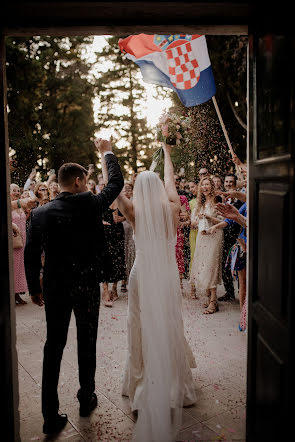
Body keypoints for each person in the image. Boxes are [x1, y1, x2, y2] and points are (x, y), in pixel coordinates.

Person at [24, 139, 124, 435]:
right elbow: (116, 183)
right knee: (86, 340)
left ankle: (49, 415)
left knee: (52, 347)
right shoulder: (90, 203)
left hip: (55, 288)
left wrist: (34, 289)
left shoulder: (40, 214)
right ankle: (86, 397)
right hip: (87, 286)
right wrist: (107, 152)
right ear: (79, 181)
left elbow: (31, 254)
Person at [114, 144, 197, 442]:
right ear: (159, 188)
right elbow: (171, 179)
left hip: (142, 274)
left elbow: (114, 189)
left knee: (140, 322)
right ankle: (174, 379)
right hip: (166, 274)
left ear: (138, 190)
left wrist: (105, 154)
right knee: (169, 320)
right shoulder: (173, 208)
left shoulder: (133, 211)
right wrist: (166, 151)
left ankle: (142, 378)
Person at [190, 177, 224, 314]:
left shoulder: (218, 201)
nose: (205, 187)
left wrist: (209, 218)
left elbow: (223, 221)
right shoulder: (200, 203)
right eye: (202, 185)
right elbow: (193, 222)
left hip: (215, 235)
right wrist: (197, 218)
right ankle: (210, 296)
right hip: (202, 236)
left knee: (212, 266)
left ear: (212, 186)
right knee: (204, 266)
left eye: (207, 184)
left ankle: (213, 301)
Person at [217, 173, 244, 302]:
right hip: (225, 235)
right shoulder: (222, 199)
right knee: (225, 265)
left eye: (231, 182)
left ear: (235, 183)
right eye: (226, 182)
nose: (228, 184)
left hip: (237, 236)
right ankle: (229, 292)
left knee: (239, 266)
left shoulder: (241, 200)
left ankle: (241, 293)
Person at [102, 203, 126, 306]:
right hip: (105, 232)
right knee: (105, 260)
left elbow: (131, 214)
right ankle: (105, 290)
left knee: (118, 259)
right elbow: (93, 214)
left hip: (118, 233)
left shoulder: (121, 201)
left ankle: (114, 288)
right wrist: (100, 221)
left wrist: (123, 218)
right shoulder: (103, 199)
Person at [11, 184, 29, 305]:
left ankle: (17, 293)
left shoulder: (21, 206)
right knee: (13, 267)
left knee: (20, 268)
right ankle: (12, 294)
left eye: (18, 190)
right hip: (13, 240)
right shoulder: (9, 206)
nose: (17, 192)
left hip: (23, 240)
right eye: (14, 190)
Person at [121, 182, 135, 293]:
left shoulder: (135, 200)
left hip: (133, 229)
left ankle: (132, 279)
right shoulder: (120, 201)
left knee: (132, 254)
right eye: (125, 189)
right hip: (123, 229)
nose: (128, 190)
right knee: (124, 253)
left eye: (129, 188)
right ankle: (123, 281)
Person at [188, 180, 198, 298]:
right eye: (189, 187)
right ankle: (193, 288)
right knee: (193, 258)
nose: (191, 189)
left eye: (193, 187)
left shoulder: (205, 201)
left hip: (205, 232)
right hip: (193, 233)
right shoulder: (191, 202)